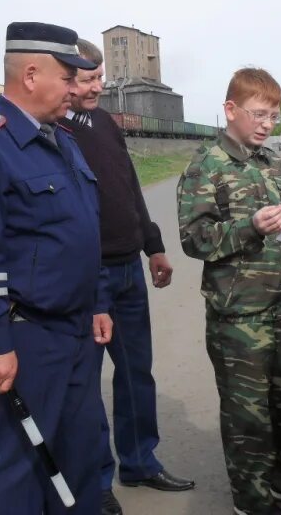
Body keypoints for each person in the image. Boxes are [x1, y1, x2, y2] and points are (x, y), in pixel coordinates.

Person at [0, 22, 113, 515]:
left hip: (79, 330)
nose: (76, 89)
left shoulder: (62, 141)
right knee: (18, 462)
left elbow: (84, 230)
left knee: (79, 451)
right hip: (28, 336)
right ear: (33, 74)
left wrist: (99, 300)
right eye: (68, 78)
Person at [177, 67, 281, 515]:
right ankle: (253, 502)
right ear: (231, 110)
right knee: (247, 416)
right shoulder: (205, 165)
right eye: (259, 114)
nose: (268, 123)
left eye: (274, 115)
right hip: (240, 317)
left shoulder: (274, 163)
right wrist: (247, 227)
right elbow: (193, 240)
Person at [62, 39, 194, 515]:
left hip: (128, 271)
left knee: (137, 373)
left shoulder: (103, 122)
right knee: (89, 384)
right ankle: (96, 482)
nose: (98, 86)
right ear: (65, 78)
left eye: (100, 77)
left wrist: (153, 245)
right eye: (87, 79)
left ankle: (140, 462)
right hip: (88, 276)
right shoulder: (56, 129)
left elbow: (129, 185)